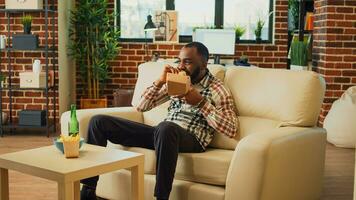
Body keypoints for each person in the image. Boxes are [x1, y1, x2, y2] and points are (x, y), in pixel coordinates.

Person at [80, 42, 239, 200]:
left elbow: (231, 129)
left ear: (204, 63)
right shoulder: (178, 81)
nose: (181, 66)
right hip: (162, 136)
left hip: (192, 139)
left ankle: (161, 198)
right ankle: (88, 192)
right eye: (179, 61)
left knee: (166, 128)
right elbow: (140, 106)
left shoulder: (218, 89)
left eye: (188, 62)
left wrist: (201, 103)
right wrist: (160, 81)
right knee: (98, 122)